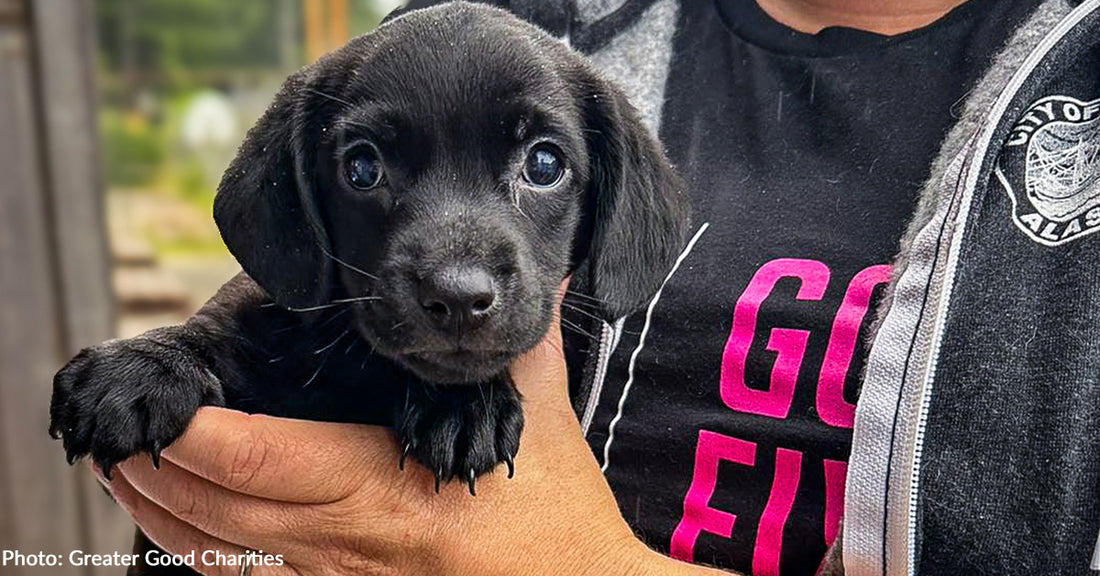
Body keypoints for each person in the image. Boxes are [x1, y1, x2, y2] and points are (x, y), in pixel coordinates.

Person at [96, 0, 1100, 575]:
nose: (453, 262)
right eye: (369, 167)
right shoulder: (518, 20)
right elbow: (289, 296)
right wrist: (188, 366)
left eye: (540, 165)